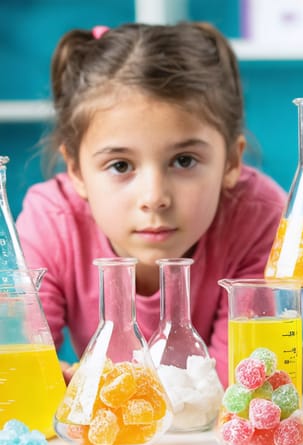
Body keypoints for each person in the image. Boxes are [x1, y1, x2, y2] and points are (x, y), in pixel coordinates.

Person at [16, 22, 287, 386]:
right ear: (77, 171)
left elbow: (238, 388)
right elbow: (23, 371)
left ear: (231, 163)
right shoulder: (51, 221)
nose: (154, 197)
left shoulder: (259, 215)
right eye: (121, 166)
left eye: (185, 161)